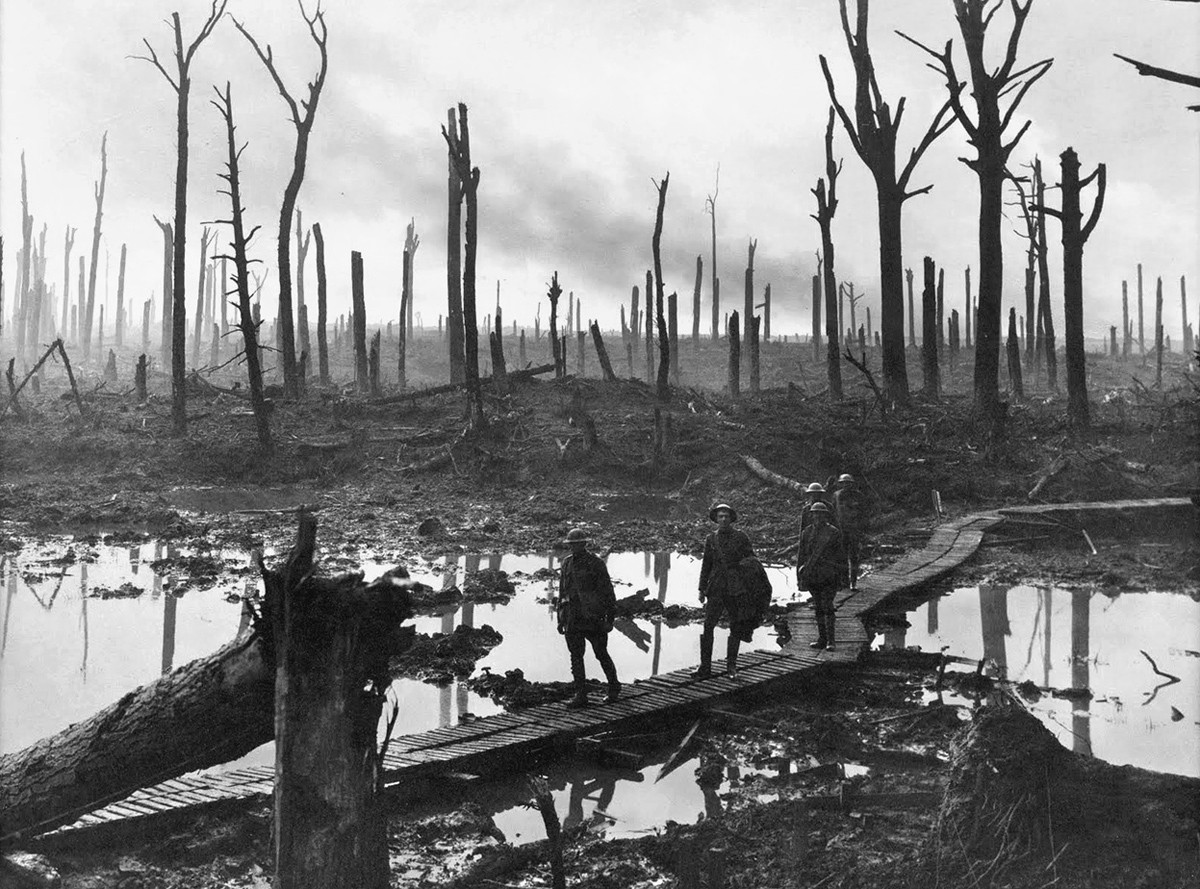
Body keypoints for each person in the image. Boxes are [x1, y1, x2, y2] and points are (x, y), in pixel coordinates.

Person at [695, 503, 762, 679]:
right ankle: (705, 667)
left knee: (736, 625)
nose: (723, 519)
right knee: (708, 625)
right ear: (716, 519)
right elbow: (706, 565)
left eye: (726, 516)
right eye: (720, 516)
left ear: (731, 519)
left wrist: (742, 571)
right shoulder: (711, 539)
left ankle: (731, 667)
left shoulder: (741, 537)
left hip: (735, 587)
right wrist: (702, 589)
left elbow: (752, 560)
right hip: (716, 587)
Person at [557, 528, 619, 708]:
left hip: (593, 618)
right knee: (576, 657)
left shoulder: (596, 563)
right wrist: (561, 619)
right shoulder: (566, 563)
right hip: (572, 618)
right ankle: (580, 695)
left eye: (578, 544)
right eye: (571, 545)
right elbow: (562, 593)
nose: (574, 547)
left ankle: (614, 688)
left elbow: (608, 592)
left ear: (584, 544)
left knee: (601, 654)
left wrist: (609, 619)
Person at [796, 502, 845, 650]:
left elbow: (841, 557)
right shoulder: (806, 532)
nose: (818, 516)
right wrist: (800, 577)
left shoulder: (834, 532)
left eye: (820, 513)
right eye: (815, 513)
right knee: (818, 607)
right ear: (811, 515)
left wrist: (842, 577)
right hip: (813, 575)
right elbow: (801, 556)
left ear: (826, 515)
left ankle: (831, 641)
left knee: (828, 607)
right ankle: (822, 639)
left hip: (829, 575)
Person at [831, 473, 868, 590]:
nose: (846, 485)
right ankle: (844, 582)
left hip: (854, 530)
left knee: (854, 557)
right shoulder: (836, 495)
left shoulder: (858, 496)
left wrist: (861, 529)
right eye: (843, 483)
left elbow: (864, 514)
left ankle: (853, 582)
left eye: (848, 483)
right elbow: (832, 512)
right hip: (841, 530)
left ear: (852, 484)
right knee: (841, 557)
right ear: (840, 484)